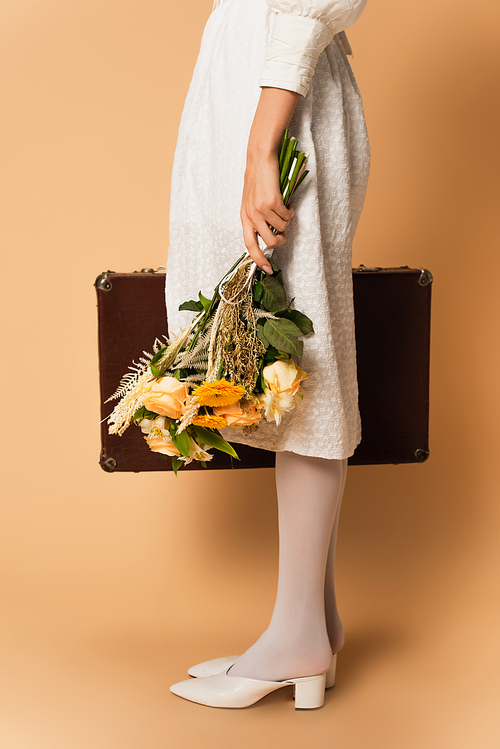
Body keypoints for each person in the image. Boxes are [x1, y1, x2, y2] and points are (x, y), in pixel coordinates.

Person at [167, 0, 370, 709]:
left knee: (300, 363)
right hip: (255, 87)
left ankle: (295, 640)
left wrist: (262, 148)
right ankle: (310, 620)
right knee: (284, 355)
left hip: (282, 101)